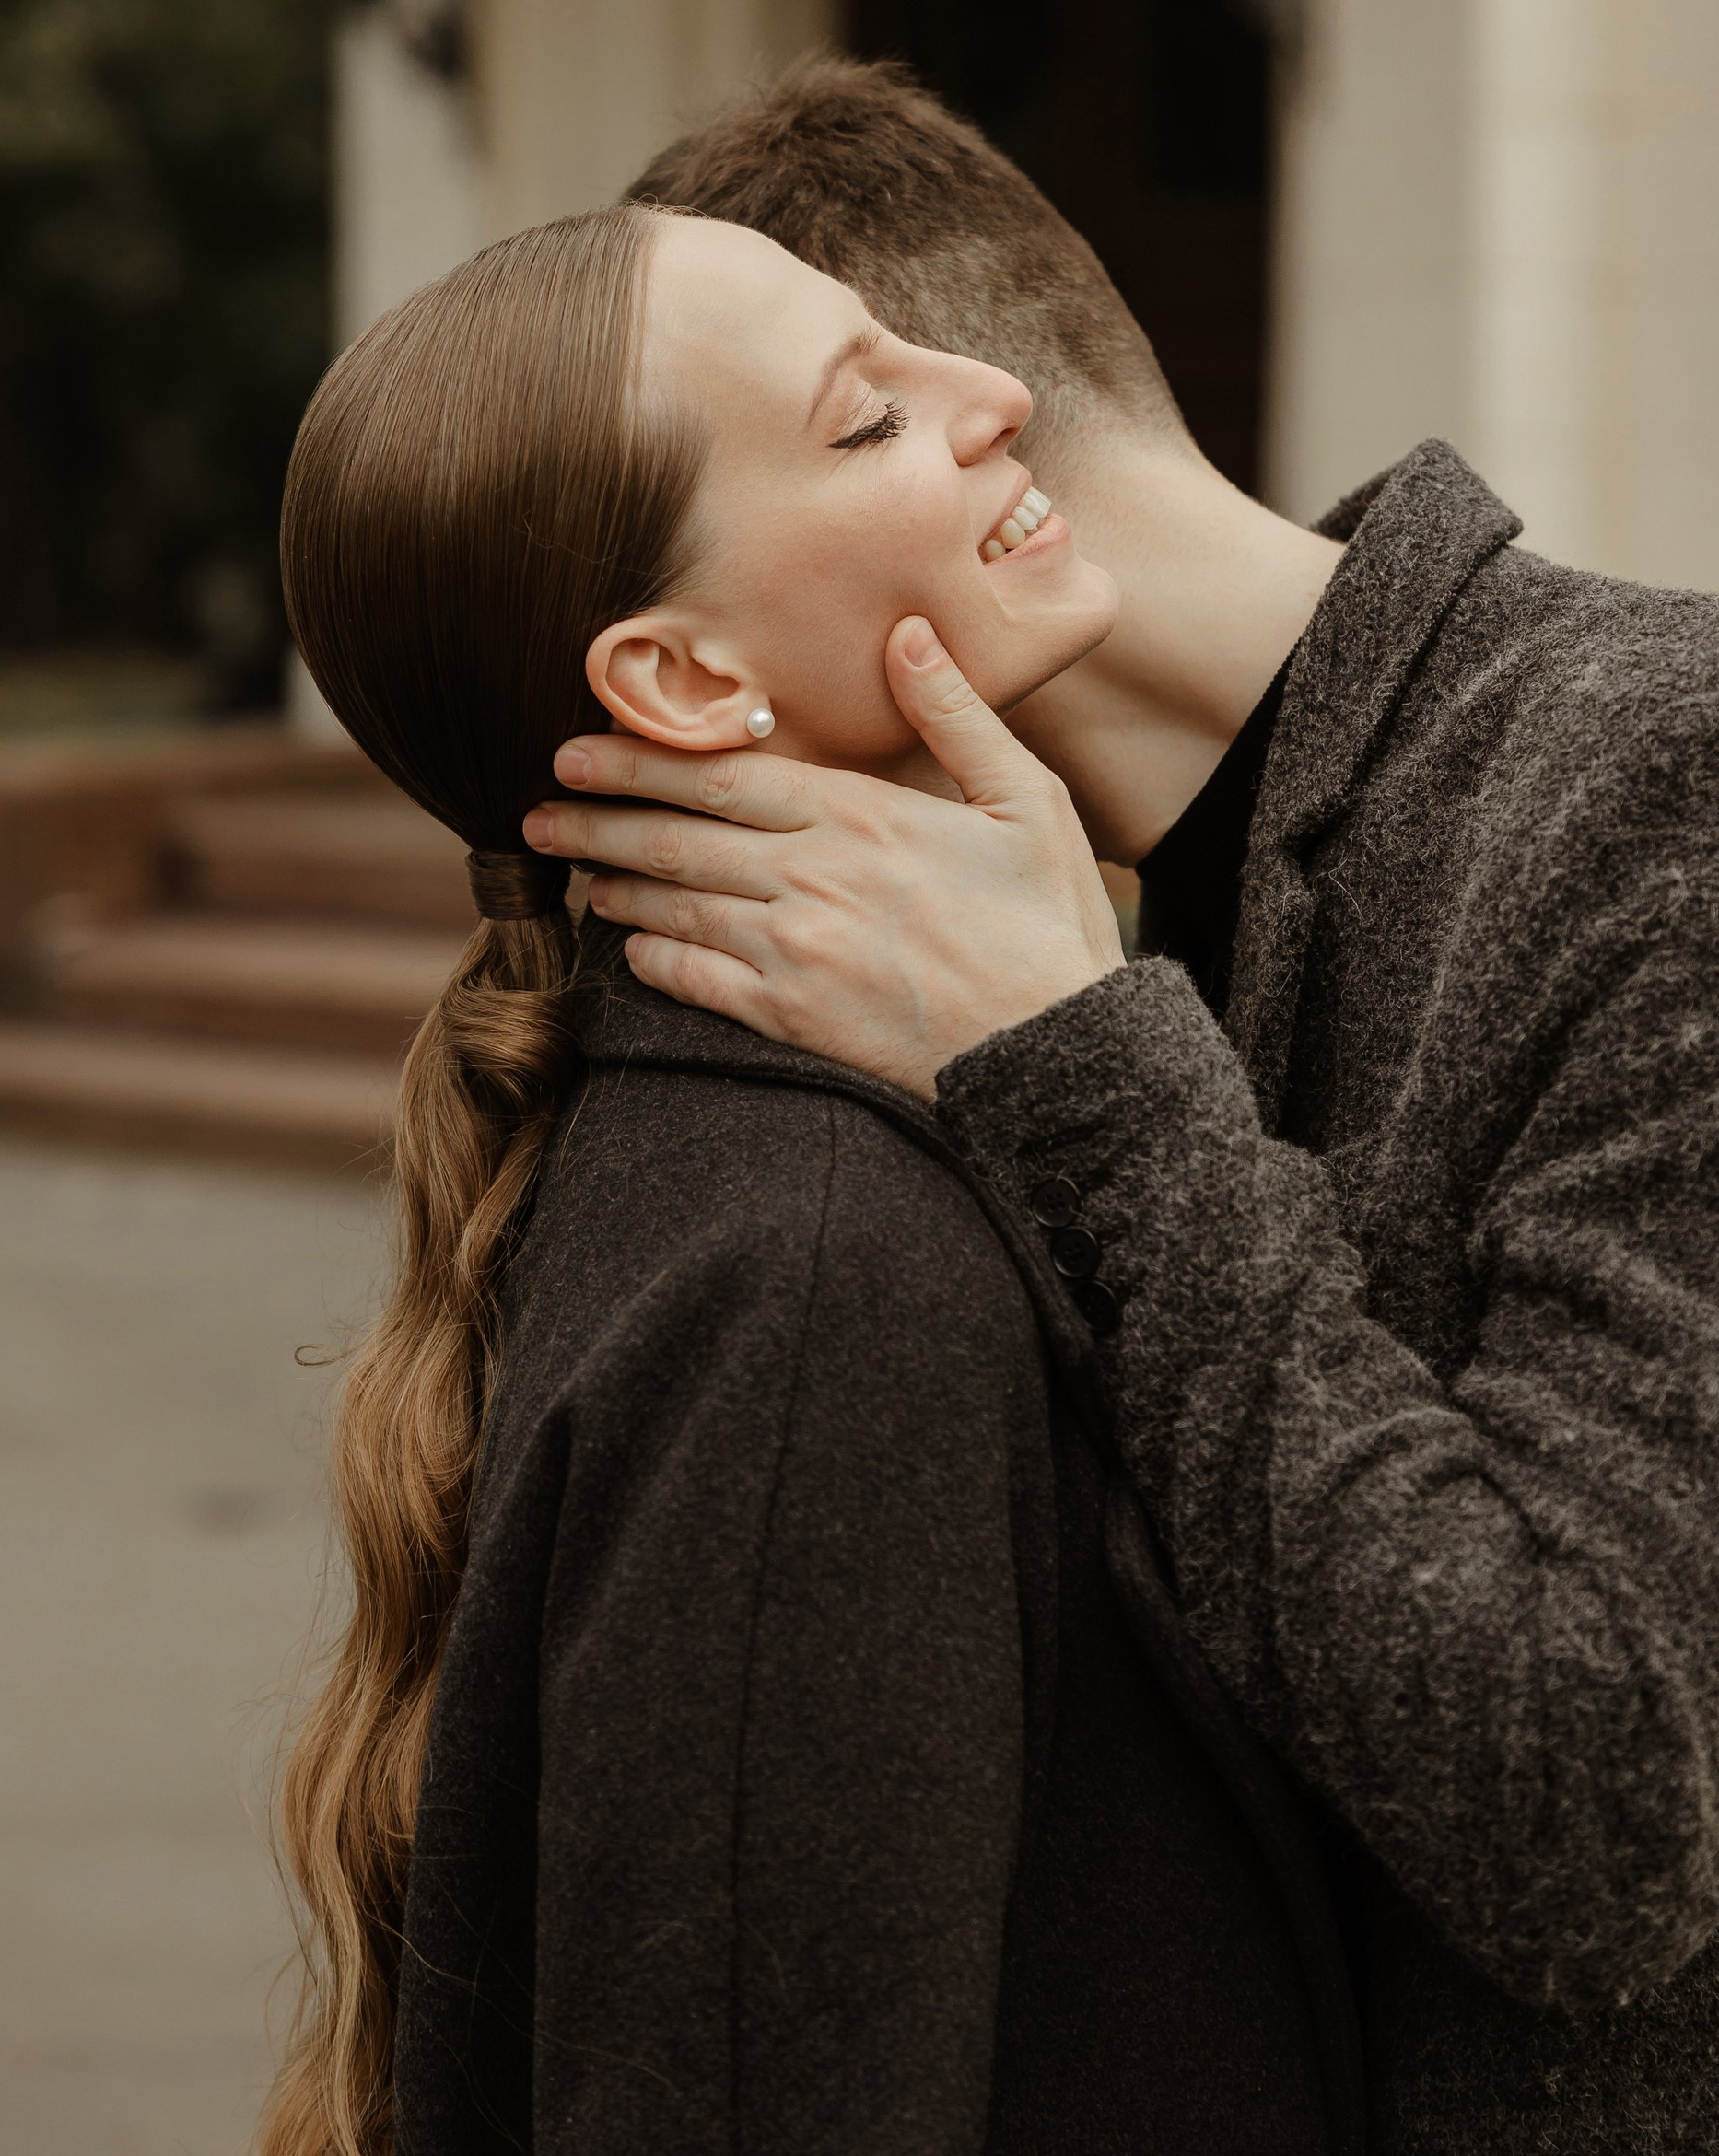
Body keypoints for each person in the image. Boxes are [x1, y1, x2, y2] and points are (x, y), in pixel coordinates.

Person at [523, 58, 1719, 2152]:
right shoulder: (1024, 934)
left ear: (978, 418)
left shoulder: (1657, 781)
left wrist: (1089, 1082)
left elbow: (1595, 1817)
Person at [259, 204, 1359, 2156]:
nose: (997, 392)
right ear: (678, 681)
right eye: (864, 420)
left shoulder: (795, 1147)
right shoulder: (825, 1270)